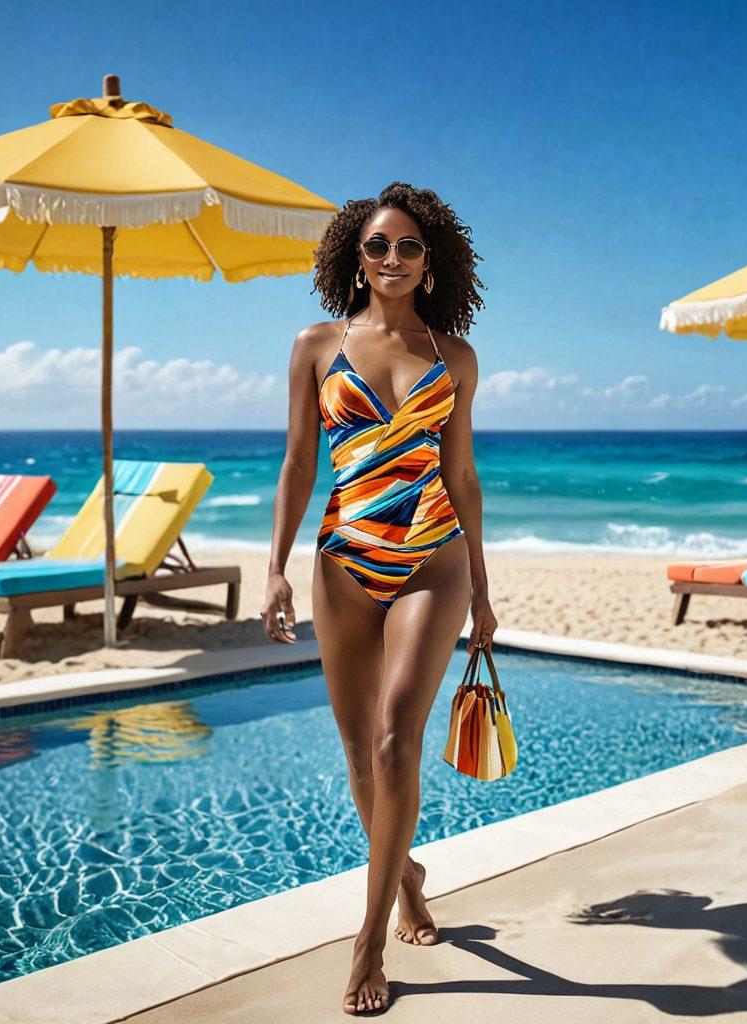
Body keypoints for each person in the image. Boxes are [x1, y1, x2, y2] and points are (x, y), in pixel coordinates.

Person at [261, 182, 498, 1014]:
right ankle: (407, 881)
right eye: (376, 246)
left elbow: (462, 475)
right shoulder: (315, 344)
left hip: (434, 557)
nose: (391, 259)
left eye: (407, 247)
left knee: (399, 740)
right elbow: (297, 464)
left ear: (431, 264)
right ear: (353, 258)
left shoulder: (455, 355)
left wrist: (484, 591)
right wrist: (276, 567)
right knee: (360, 752)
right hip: (343, 562)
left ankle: (367, 944)